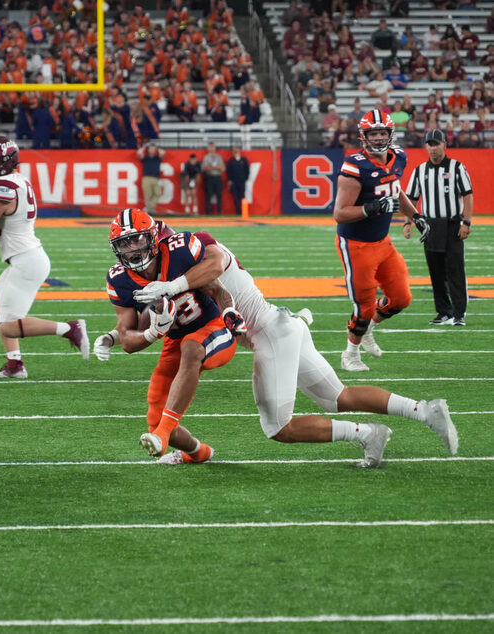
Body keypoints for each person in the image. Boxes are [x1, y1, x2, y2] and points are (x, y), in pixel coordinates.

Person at [96, 222, 459, 468]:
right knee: (338, 397)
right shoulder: (174, 260)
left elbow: (215, 269)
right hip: (282, 324)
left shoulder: (196, 251)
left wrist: (172, 288)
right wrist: (125, 333)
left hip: (270, 330)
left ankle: (368, 433)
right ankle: (423, 411)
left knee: (278, 428)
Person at [104, 209, 241, 464]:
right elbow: (128, 340)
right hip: (174, 340)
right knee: (155, 419)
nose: (132, 249)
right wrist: (152, 332)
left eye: (137, 239)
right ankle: (199, 453)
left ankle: (163, 435)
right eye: (124, 243)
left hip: (213, 328)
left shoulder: (179, 251)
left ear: (154, 238)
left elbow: (217, 280)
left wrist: (228, 311)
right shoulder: (119, 279)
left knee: (192, 347)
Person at [0, 135, 89, 378]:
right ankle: (15, 364)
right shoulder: (16, 180)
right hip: (27, 257)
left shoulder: (3, 185)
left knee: (9, 326)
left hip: (27, 261)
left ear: (6, 162)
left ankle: (69, 328)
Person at [333, 109, 430, 372]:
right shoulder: (355, 166)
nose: (378, 138)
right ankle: (350, 353)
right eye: (373, 133)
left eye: (382, 133)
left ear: (390, 133)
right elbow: (339, 213)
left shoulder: (398, 156)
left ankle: (368, 330)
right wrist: (370, 208)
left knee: (401, 298)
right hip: (356, 245)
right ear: (364, 136)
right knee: (363, 306)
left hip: (382, 242)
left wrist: (415, 215)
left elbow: (395, 190)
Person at [404, 129, 474, 326]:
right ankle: (444, 311)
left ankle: (459, 313)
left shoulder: (457, 167)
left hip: (453, 224)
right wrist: (409, 222)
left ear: (445, 145)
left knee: (455, 270)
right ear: (426, 146)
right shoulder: (419, 171)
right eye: (430, 144)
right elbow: (411, 199)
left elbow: (468, 195)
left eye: (437, 144)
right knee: (435, 271)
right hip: (430, 225)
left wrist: (466, 222)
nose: (433, 148)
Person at [137, 142, 165, 215]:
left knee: (158, 193)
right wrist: (145, 147)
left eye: (153, 149)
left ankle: (148, 209)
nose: (152, 150)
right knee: (148, 196)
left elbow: (163, 153)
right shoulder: (145, 158)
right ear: (148, 150)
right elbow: (139, 152)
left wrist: (156, 148)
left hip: (156, 178)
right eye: (151, 149)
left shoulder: (157, 158)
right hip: (147, 178)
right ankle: (151, 211)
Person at [202, 142, 224, 215]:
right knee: (208, 195)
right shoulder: (206, 157)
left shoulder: (219, 157)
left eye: (213, 147)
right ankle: (208, 212)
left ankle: (219, 211)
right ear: (208, 148)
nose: (211, 148)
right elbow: (205, 168)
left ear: (215, 148)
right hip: (209, 177)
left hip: (217, 177)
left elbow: (222, 168)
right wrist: (216, 167)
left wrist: (211, 167)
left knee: (219, 195)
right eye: (210, 147)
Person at [226, 146, 249, 214]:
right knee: (235, 197)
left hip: (242, 181)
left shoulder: (244, 160)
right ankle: (238, 211)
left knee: (242, 196)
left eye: (237, 149)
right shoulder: (231, 161)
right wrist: (229, 180)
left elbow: (247, 170)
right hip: (234, 182)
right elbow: (228, 171)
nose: (236, 151)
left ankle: (244, 211)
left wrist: (245, 178)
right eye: (234, 150)